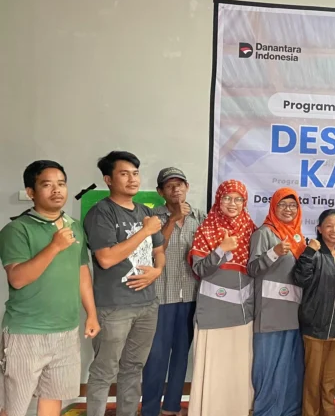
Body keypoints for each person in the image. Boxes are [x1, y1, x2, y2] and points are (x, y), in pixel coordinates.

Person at [0, 161, 100, 416]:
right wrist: (54, 246)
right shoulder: (16, 230)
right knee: (15, 405)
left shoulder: (74, 226)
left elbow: (82, 272)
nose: (57, 190)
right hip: (27, 331)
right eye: (47, 185)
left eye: (61, 184)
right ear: (31, 192)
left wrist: (91, 313)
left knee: (53, 397)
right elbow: (17, 278)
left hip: (66, 329)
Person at [83, 151, 165, 416]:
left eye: (135, 173)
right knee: (104, 371)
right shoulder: (101, 213)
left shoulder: (145, 212)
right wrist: (144, 231)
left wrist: (156, 271)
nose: (132, 179)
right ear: (108, 179)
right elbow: (106, 259)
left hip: (147, 304)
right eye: (124, 174)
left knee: (133, 368)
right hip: (114, 306)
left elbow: (159, 251)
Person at [187, 180, 255, 416]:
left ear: (245, 202)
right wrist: (221, 249)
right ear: (218, 200)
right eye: (227, 198)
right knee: (214, 369)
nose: (232, 203)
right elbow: (199, 269)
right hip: (213, 315)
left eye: (238, 199)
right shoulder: (206, 229)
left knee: (238, 370)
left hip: (243, 316)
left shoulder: (252, 230)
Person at [142, 167, 207, 416]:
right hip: (160, 298)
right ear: (160, 191)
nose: (176, 189)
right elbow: (151, 251)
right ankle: (150, 409)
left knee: (181, 356)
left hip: (190, 297)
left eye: (179, 184)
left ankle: (171, 407)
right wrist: (172, 219)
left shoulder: (200, 218)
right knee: (156, 357)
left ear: (187, 187)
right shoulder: (151, 218)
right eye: (169, 186)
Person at [248, 188, 305, 416]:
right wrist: (274, 252)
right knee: (267, 368)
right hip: (270, 312)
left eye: (293, 205)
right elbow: (252, 268)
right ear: (273, 207)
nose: (288, 209)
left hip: (295, 312)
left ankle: (290, 411)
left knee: (290, 369)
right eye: (282, 204)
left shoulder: (300, 237)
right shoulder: (264, 233)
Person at [294, 209, 335, 416]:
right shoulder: (314, 252)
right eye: (329, 226)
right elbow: (300, 278)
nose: (334, 230)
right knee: (312, 380)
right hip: (316, 326)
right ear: (319, 228)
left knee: (330, 381)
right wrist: (309, 252)